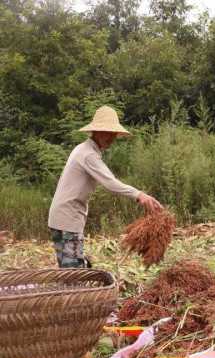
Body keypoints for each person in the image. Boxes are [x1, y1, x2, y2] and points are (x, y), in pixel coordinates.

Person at [48, 105, 163, 268]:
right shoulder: (88, 154)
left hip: (65, 216)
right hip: (67, 218)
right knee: (73, 274)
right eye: (106, 132)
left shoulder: (85, 149)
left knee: (76, 267)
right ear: (96, 131)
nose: (111, 137)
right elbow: (111, 183)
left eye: (113, 133)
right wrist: (140, 195)